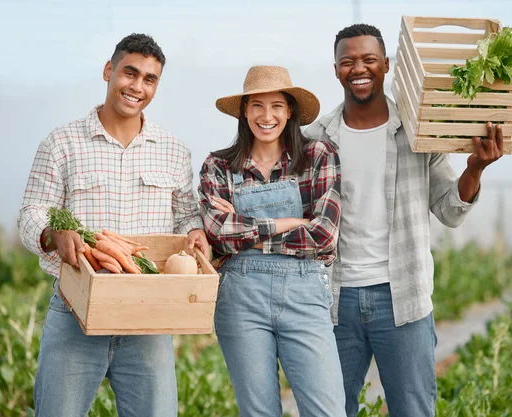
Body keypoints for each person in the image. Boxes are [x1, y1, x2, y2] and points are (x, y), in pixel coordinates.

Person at [305, 24, 506, 417]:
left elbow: (450, 209)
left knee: (413, 409)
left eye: (367, 59)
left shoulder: (419, 134)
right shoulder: (315, 138)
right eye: (348, 61)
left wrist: (476, 169)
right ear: (335, 70)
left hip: (403, 298)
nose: (357, 69)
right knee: (326, 410)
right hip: (332, 300)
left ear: (386, 65)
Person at [17, 33, 208, 417]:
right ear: (109, 71)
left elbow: (187, 217)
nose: (137, 86)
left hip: (149, 319)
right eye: (129, 73)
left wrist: (195, 233)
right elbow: (31, 212)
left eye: (149, 79)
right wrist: (53, 233)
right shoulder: (62, 143)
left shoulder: (173, 150)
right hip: (76, 310)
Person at [199, 65, 346, 417]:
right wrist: (290, 222)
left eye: (277, 106)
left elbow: (323, 236)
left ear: (290, 111)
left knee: (327, 411)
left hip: (304, 295)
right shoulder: (218, 166)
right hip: (240, 301)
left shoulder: (319, 156)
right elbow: (218, 233)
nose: (267, 116)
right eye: (257, 106)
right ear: (244, 112)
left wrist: (244, 231)